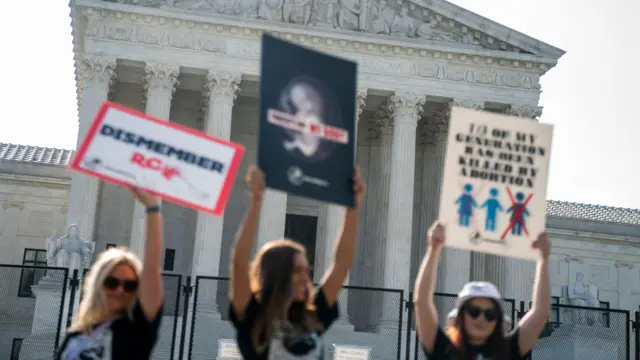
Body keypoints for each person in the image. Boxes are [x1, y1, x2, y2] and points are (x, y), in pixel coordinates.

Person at [228, 165, 365, 360]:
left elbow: (341, 263)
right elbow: (239, 264)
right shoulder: (254, 318)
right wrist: (256, 202)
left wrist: (353, 207)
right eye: (297, 271)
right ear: (277, 273)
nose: (305, 277)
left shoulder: (312, 317)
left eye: (305, 269)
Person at [414, 221, 551, 360]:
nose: (481, 318)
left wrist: (543, 260)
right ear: (461, 315)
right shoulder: (443, 348)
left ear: (497, 320)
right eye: (474, 312)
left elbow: (541, 312)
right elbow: (422, 303)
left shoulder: (509, 350)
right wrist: (433, 251)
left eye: (490, 314)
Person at [55, 188, 164, 360]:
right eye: (112, 282)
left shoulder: (136, 331)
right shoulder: (76, 335)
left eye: (130, 285)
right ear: (98, 283)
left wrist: (152, 207)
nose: (120, 290)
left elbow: (151, 267)